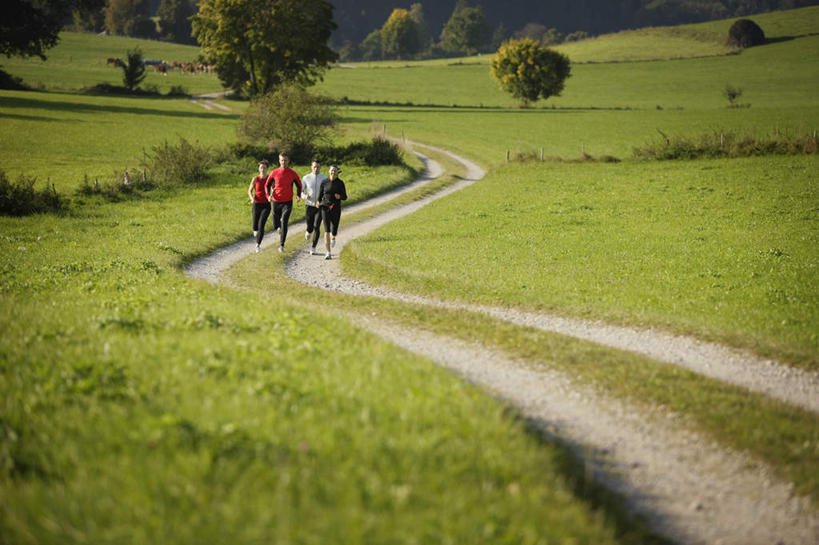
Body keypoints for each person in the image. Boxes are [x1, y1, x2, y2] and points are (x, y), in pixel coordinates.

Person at [265, 152, 302, 253]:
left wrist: (298, 195)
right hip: (276, 201)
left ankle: (282, 245)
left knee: (284, 221)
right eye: (282, 160)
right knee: (276, 224)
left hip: (287, 202)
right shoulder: (274, 172)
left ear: (288, 161)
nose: (283, 162)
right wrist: (268, 196)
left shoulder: (292, 173)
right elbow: (267, 185)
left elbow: (299, 185)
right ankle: (278, 229)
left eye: (285, 160)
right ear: (279, 161)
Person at [315, 164, 348, 259]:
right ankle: (328, 252)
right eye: (331, 170)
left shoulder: (340, 183)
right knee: (326, 230)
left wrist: (340, 197)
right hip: (325, 207)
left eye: (335, 170)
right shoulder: (324, 182)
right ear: (329, 171)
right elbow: (320, 194)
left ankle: (333, 236)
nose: (333, 172)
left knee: (334, 229)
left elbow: (345, 197)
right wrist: (318, 201)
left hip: (336, 208)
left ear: (337, 172)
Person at [301, 158, 327, 246]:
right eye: (314, 167)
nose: (316, 169)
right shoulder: (306, 178)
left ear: (320, 167)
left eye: (318, 167)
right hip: (309, 205)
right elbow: (300, 192)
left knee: (317, 226)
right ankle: (308, 231)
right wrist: (305, 196)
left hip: (320, 206)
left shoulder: (324, 178)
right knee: (310, 226)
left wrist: (323, 201)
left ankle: (313, 247)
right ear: (311, 167)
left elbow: (327, 192)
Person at [247, 159, 271, 253]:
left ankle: (258, 245)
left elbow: (274, 188)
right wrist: (252, 198)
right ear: (259, 168)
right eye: (261, 167)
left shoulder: (269, 179)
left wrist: (271, 196)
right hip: (256, 204)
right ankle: (255, 231)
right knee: (255, 226)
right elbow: (249, 191)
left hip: (266, 205)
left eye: (264, 168)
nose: (263, 169)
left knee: (261, 225)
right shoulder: (255, 179)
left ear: (267, 169)